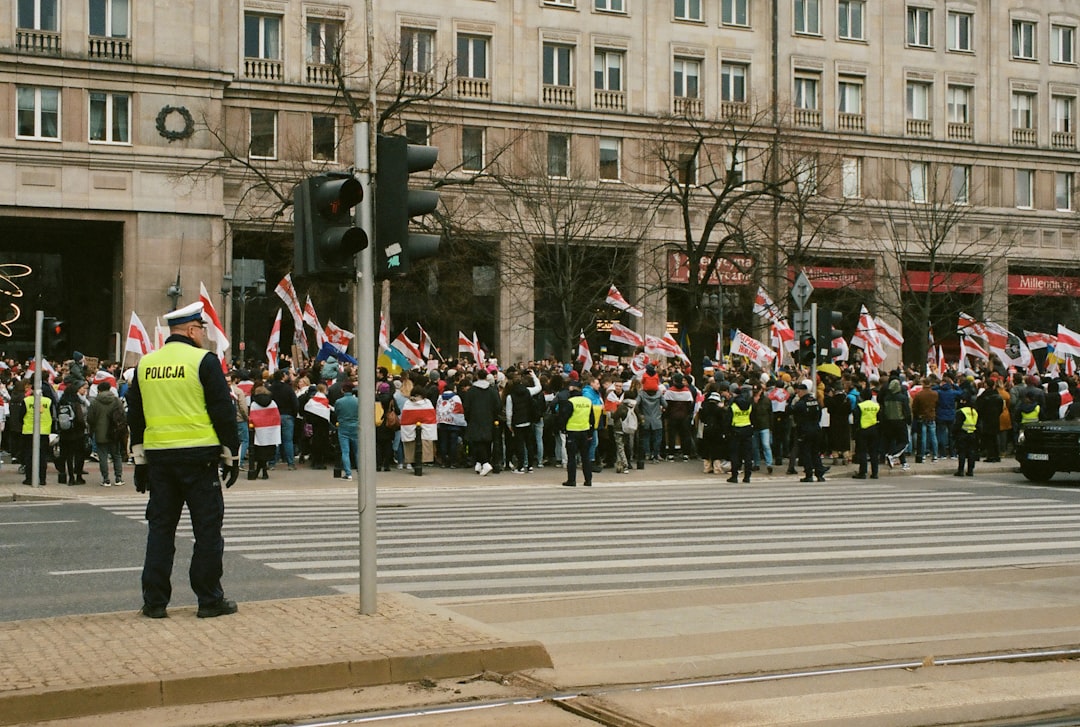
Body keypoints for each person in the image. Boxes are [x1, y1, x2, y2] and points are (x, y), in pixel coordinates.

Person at [126, 301, 241, 620]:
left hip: (159, 460)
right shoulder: (204, 360)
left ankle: (154, 602)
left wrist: (139, 461)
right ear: (191, 330)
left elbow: (135, 414)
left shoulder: (146, 364)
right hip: (199, 458)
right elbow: (222, 410)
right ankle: (209, 599)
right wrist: (231, 455)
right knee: (207, 531)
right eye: (201, 329)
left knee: (160, 530)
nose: (204, 334)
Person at [87, 380, 126, 486]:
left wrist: (94, 428)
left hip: (100, 432)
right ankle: (118, 478)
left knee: (103, 456)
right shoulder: (116, 400)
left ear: (99, 390)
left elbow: (90, 418)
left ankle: (106, 479)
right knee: (116, 455)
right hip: (115, 432)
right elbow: (122, 415)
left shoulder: (95, 402)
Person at [560, 376, 596, 487]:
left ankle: (572, 480)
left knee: (572, 457)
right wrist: (590, 433)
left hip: (572, 432)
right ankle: (588, 480)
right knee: (585, 457)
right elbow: (592, 419)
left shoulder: (570, 402)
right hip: (584, 431)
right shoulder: (588, 401)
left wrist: (562, 429)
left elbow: (564, 417)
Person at [790, 379, 826, 483]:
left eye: (798, 392)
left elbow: (791, 411)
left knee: (806, 453)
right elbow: (819, 415)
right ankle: (819, 474)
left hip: (805, 430)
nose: (798, 394)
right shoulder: (815, 401)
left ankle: (809, 474)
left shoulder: (801, 403)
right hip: (816, 429)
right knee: (815, 452)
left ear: (801, 392)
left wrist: (792, 399)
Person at [56, 378, 89, 485]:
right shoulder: (76, 402)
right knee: (79, 455)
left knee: (68, 456)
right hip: (77, 433)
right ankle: (78, 476)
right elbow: (79, 418)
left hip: (65, 433)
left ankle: (70, 477)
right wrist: (84, 427)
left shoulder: (62, 402)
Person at [851, 388, 881, 479]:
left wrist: (854, 432)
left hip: (863, 430)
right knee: (873, 452)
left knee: (862, 452)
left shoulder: (860, 406)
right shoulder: (876, 406)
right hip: (874, 429)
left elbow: (856, 419)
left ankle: (863, 472)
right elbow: (880, 418)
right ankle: (875, 473)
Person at [332, 381, 359, 480]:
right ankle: (360, 471)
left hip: (343, 427)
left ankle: (348, 473)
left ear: (343, 390)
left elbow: (336, 413)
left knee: (345, 451)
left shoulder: (339, 402)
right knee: (357, 451)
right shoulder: (358, 401)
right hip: (356, 426)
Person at [953, 395, 979, 477]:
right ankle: (970, 470)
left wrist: (954, 434)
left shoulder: (961, 411)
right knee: (971, 453)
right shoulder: (974, 411)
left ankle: (961, 470)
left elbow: (957, 425)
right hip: (972, 434)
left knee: (962, 453)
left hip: (963, 434)